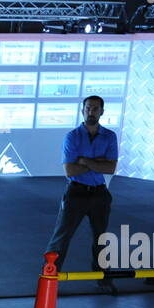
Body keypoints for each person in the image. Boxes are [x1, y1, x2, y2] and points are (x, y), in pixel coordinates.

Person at [45, 96, 118, 290]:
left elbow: (110, 168)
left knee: (101, 239)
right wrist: (98, 164)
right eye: (87, 108)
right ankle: (49, 279)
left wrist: (85, 161)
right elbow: (70, 171)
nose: (91, 112)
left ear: (102, 111)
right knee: (61, 238)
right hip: (76, 193)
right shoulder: (72, 136)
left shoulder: (110, 136)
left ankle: (104, 279)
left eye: (95, 108)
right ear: (82, 110)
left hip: (100, 194)